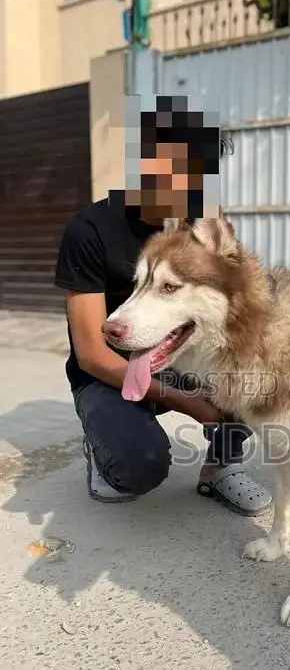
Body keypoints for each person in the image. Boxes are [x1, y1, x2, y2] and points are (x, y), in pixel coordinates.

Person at [53, 104, 272, 515]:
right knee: (138, 468)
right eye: (162, 161)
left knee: (247, 367)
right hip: (108, 372)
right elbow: (90, 353)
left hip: (178, 354)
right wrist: (187, 401)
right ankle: (103, 446)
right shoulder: (89, 230)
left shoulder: (200, 225)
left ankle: (220, 468)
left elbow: (237, 301)